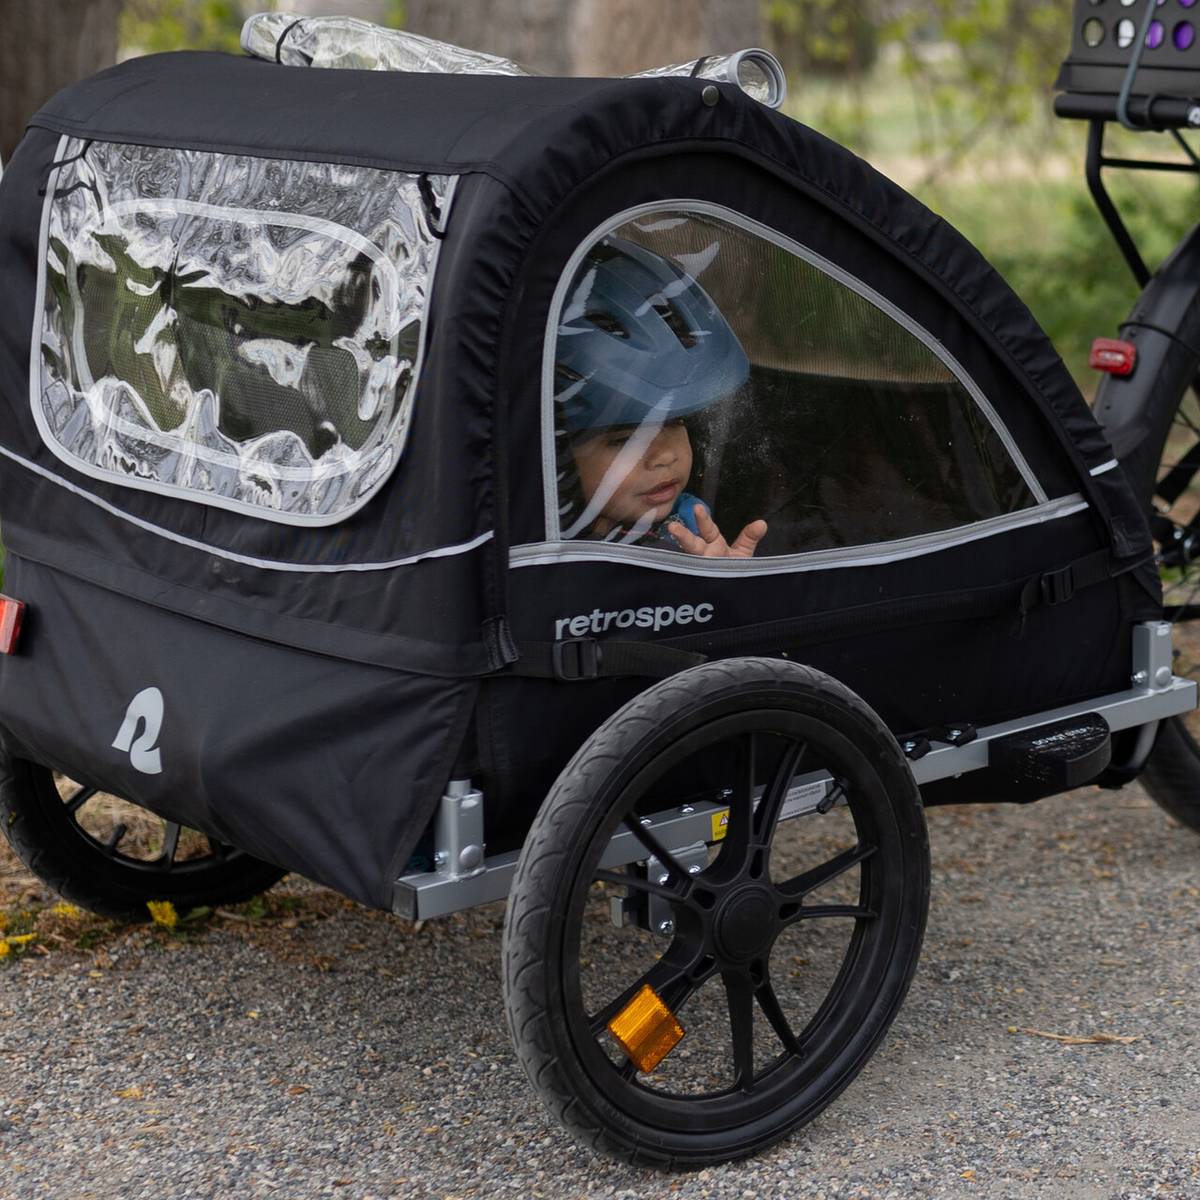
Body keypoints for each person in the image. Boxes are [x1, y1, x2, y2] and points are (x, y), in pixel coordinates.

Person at [554, 237, 768, 558]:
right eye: (625, 439)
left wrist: (721, 578)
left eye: (676, 421)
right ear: (559, 456)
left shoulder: (690, 524)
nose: (665, 456)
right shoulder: (542, 548)